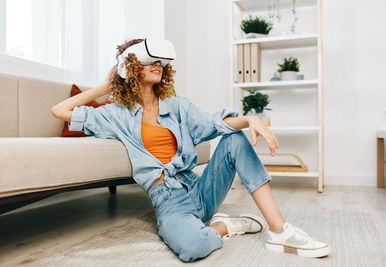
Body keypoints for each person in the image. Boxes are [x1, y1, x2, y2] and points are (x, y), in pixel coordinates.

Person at [51, 38, 330, 262]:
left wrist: (249, 119)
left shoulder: (178, 106)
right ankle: (229, 226)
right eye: (148, 60)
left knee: (234, 138)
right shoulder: (116, 115)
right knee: (192, 246)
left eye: (159, 60)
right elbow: (60, 110)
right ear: (130, 68)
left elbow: (215, 123)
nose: (157, 64)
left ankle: (279, 231)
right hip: (168, 200)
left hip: (200, 189)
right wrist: (110, 83)